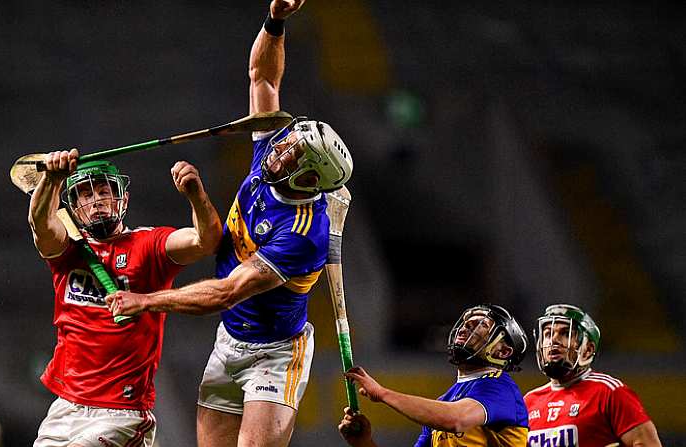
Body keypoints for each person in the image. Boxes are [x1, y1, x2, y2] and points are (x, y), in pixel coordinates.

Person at [104, 1, 354, 446]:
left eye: (293, 152)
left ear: (310, 177)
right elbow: (263, 78)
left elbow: (223, 292)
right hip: (230, 340)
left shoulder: (303, 234)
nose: (281, 148)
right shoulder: (269, 153)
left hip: (276, 352)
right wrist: (275, 21)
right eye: (288, 141)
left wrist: (145, 300)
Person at [28, 151, 222, 446]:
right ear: (74, 207)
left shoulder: (149, 245)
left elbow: (205, 241)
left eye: (103, 191)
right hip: (66, 406)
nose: (96, 202)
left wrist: (196, 195)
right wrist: (51, 181)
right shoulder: (66, 249)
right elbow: (39, 223)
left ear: (123, 199)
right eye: (84, 195)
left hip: (121, 413)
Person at [338, 304, 530, 447]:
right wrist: (364, 443)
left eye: (479, 325)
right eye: (465, 324)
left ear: (503, 352)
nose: (464, 328)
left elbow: (457, 420)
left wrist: (383, 393)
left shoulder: (500, 387)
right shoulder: (445, 401)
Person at [524, 304, 661, 447]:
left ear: (587, 349)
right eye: (548, 333)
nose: (554, 340)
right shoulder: (528, 403)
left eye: (565, 333)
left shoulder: (609, 392)